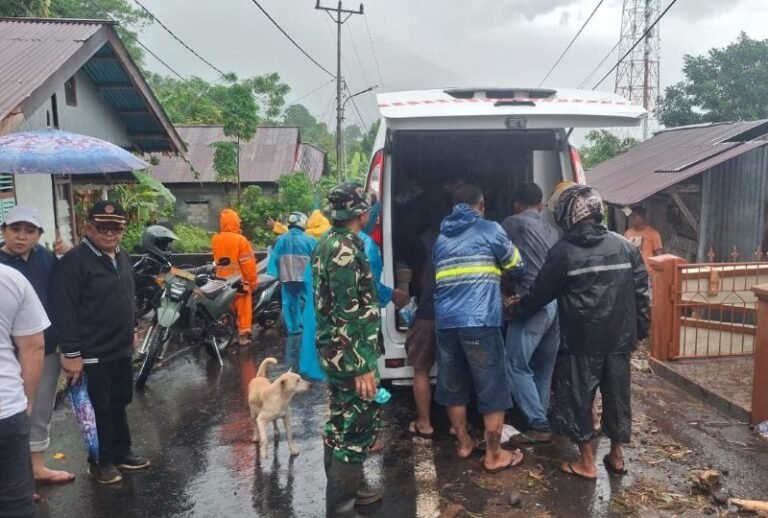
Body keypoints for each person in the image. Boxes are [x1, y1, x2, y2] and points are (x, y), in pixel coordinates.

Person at [513, 185, 650, 480]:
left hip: (580, 342)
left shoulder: (563, 252)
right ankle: (616, 456)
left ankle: (587, 463)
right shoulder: (624, 246)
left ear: (567, 215)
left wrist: (516, 310)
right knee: (617, 398)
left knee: (579, 401)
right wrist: (640, 331)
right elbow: (642, 292)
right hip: (619, 340)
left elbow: (539, 294)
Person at [51, 201, 150, 485]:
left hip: (120, 348)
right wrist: (71, 353)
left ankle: (122, 452)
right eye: (103, 227)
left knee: (120, 401)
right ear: (88, 227)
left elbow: (126, 296)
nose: (110, 233)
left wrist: (132, 327)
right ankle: (100, 462)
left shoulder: (122, 256)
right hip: (91, 352)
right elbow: (64, 309)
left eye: (116, 227)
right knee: (98, 409)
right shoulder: (74, 262)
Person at [433, 184, 526, 474]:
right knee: (491, 387)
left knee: (453, 385)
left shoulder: (440, 237)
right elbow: (516, 264)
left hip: (446, 322)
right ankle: (494, 455)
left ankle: (463, 444)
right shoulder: (490, 229)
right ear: (481, 205)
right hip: (480, 320)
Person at [312, 182, 383, 517]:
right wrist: (363, 365)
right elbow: (348, 312)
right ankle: (341, 510)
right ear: (361, 212)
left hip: (335, 354)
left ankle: (352, 492)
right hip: (350, 357)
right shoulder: (345, 251)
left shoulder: (327, 242)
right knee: (355, 430)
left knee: (339, 423)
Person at [0, 206, 75, 485]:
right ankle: (13, 478)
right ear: (3, 231)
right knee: (8, 414)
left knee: (39, 409)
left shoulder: (46, 258)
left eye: (30, 231)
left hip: (44, 349)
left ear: (39, 235)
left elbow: (64, 293)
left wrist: (68, 253)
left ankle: (37, 467)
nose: (21, 237)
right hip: (7, 352)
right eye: (15, 230)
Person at [500, 183, 562, 445]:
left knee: (515, 364)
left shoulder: (512, 223)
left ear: (516, 203)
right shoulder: (553, 229)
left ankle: (538, 423)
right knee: (543, 366)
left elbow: (500, 256)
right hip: (555, 305)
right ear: (541, 205)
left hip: (530, 303)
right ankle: (539, 416)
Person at [0, 264, 48, 517]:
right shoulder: (10, 279)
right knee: (15, 505)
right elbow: (33, 347)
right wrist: (27, 400)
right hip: (6, 407)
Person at [405, 228, 438, 439]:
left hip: (427, 315)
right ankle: (457, 427)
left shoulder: (433, 251)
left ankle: (424, 424)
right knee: (455, 370)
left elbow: (420, 284)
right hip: (456, 316)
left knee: (421, 369)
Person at [212, 209, 258, 346]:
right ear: (234, 223)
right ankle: (243, 336)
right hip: (239, 282)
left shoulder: (216, 239)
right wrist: (252, 281)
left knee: (227, 308)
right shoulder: (240, 240)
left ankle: (226, 333)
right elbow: (248, 264)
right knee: (244, 309)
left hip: (222, 282)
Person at [268, 212, 317, 336]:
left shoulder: (281, 239)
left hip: (287, 276)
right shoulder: (310, 240)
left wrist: (274, 273)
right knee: (309, 301)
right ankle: (309, 326)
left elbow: (274, 257)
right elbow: (318, 257)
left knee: (290, 303)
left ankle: (294, 328)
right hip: (306, 277)